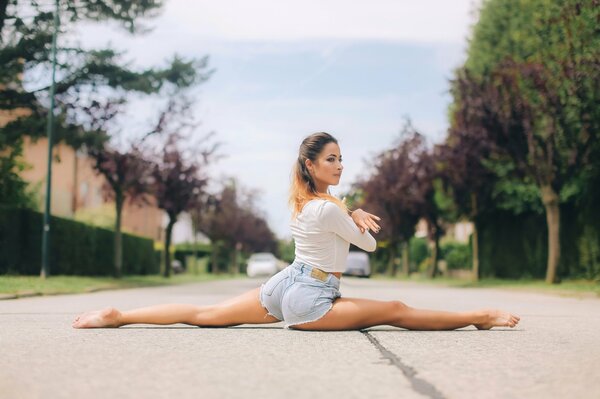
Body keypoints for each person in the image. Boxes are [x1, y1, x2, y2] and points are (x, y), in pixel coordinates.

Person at [73, 132, 520, 331]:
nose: (340, 164)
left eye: (341, 157)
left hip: (286, 282)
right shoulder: (328, 207)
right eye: (331, 159)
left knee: (204, 314)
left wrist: (349, 210)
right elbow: (370, 245)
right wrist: (357, 216)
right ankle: (480, 317)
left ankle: (119, 316)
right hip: (311, 297)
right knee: (397, 309)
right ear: (311, 165)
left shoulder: (305, 202)